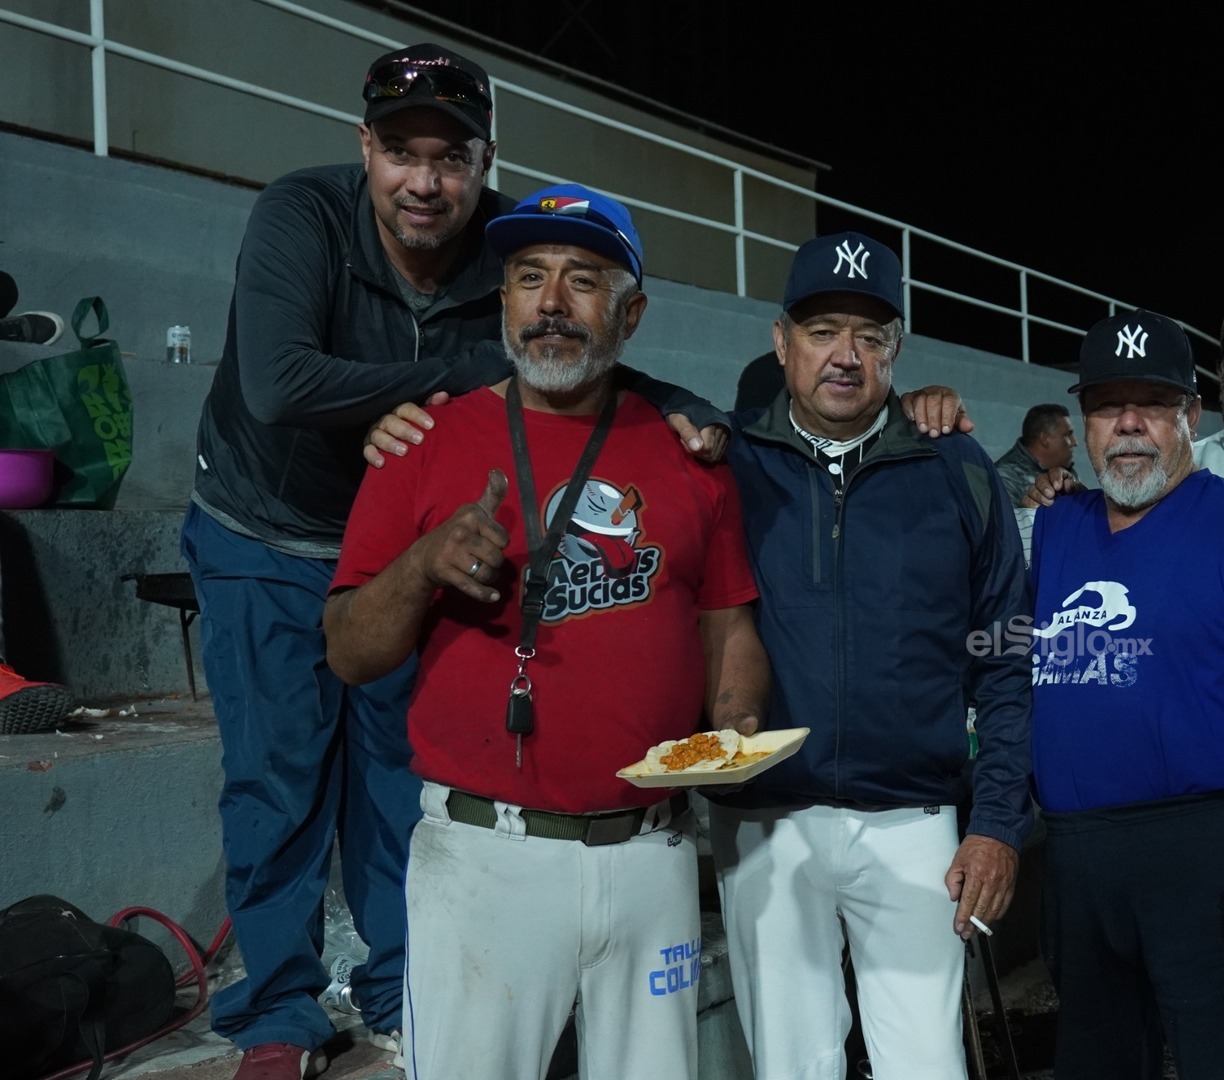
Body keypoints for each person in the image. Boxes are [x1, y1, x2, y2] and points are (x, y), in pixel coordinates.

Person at [181, 44, 723, 1079]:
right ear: (364, 149)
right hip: (269, 528)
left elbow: (579, 343)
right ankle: (281, 1011)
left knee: (402, 771)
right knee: (278, 776)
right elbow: (279, 382)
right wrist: (451, 381)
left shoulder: (513, 242)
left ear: (484, 162)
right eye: (401, 152)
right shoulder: (301, 213)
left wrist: (682, 406)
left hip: (409, 533)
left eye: (451, 158)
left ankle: (400, 984)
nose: (424, 181)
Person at [322, 183, 765, 1080]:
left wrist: (735, 726)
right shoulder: (423, 442)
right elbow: (350, 652)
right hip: (486, 858)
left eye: (583, 281)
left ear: (630, 314)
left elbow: (728, 628)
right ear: (504, 300)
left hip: (653, 851)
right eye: (530, 277)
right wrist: (423, 564)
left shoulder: (690, 452)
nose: (552, 303)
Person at [707, 232, 1032, 1080]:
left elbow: (1006, 656)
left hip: (915, 823)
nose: (845, 355)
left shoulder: (957, 466)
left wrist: (998, 822)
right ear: (782, 341)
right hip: (767, 821)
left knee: (928, 1065)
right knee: (792, 1067)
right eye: (822, 332)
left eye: (869, 336)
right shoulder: (727, 465)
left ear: (897, 349)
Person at [1026, 309, 1224, 1080]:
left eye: (1153, 405)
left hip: (1207, 852)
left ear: (1191, 418)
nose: (1128, 425)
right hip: (1075, 856)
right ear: (1083, 425)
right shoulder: (1049, 528)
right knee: (1097, 1064)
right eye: (1108, 407)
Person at [994, 402, 1077, 499]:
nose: (1074, 442)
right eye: (1067, 435)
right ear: (1045, 439)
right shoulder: (1006, 476)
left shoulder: (1067, 473)